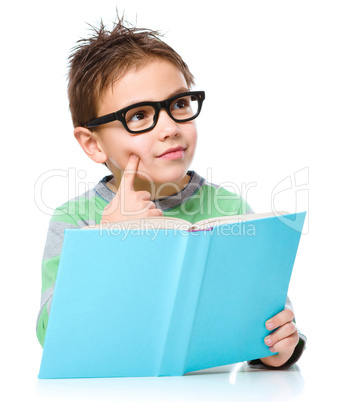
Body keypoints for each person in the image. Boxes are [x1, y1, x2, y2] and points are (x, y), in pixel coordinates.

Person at [36, 17, 306, 369]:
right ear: (93, 144)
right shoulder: (74, 220)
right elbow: (50, 333)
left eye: (178, 104)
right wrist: (106, 240)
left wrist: (281, 347)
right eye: (138, 115)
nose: (169, 128)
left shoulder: (230, 207)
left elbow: (268, 321)